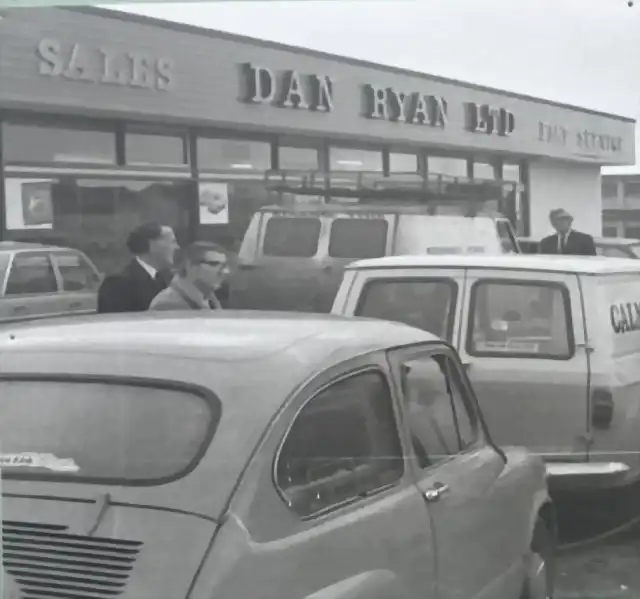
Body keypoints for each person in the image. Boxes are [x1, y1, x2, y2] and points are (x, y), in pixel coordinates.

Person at [97, 223, 179, 313]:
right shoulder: (117, 284)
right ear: (153, 245)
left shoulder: (167, 279)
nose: (177, 247)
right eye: (173, 242)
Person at [150, 242, 229, 311]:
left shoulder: (209, 299)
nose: (225, 271)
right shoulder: (167, 304)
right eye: (214, 264)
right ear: (189, 266)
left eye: (224, 265)